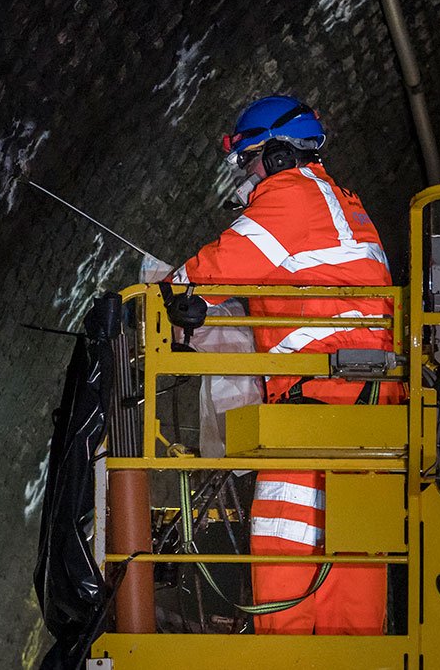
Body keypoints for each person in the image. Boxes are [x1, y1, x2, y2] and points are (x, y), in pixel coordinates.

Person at [168, 94, 406, 635]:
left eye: (247, 162)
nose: (245, 180)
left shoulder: (288, 198)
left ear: (276, 157)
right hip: (367, 413)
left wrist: (164, 295)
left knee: (282, 544)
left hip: (317, 411)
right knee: (354, 554)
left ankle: (285, 653)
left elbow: (214, 267)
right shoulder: (345, 204)